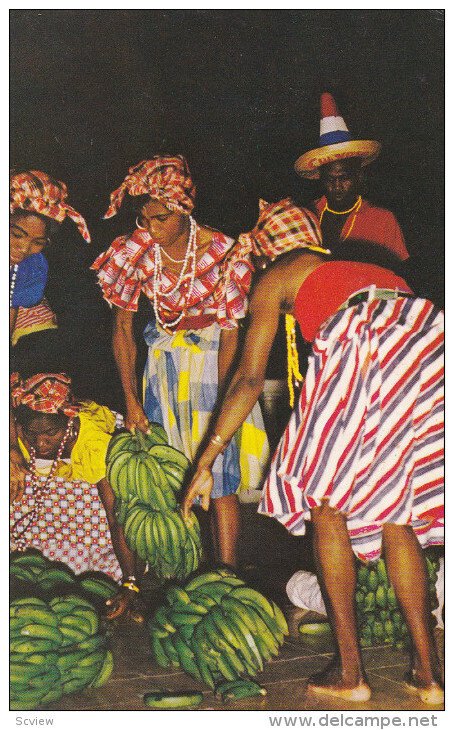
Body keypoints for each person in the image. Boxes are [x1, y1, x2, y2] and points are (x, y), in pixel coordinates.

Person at [184, 198, 444, 705]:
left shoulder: (280, 273)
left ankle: (351, 674)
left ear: (267, 253)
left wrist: (206, 459)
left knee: (325, 502)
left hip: (359, 338)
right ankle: (428, 676)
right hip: (427, 337)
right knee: (397, 512)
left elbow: (248, 378)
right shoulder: (366, 266)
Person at [91, 155, 268, 568]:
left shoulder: (225, 252)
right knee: (168, 469)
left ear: (185, 211)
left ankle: (226, 573)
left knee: (219, 473)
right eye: (145, 219)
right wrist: (132, 400)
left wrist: (225, 402)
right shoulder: (135, 252)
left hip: (212, 367)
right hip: (164, 368)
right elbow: (122, 330)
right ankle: (178, 568)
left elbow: (230, 333)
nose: (151, 229)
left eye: (162, 219)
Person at [10, 372, 144, 620]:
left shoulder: (95, 445)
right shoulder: (22, 430)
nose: (40, 443)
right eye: (32, 434)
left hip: (89, 490)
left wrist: (131, 582)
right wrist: (12, 451)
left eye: (50, 433)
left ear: (69, 424)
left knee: (102, 516)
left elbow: (116, 517)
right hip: (51, 483)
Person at [10, 170, 91, 494]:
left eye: (37, 241)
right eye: (16, 235)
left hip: (32, 339)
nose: (24, 247)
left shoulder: (32, 266)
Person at [294, 93, 409, 261]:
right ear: (320, 177)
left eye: (344, 177)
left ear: (359, 176)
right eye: (330, 179)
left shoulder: (383, 221)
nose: (337, 186)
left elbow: (400, 276)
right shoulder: (306, 217)